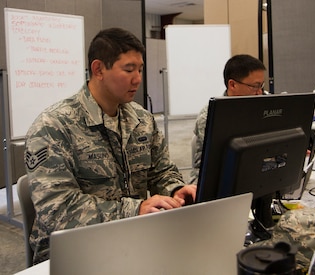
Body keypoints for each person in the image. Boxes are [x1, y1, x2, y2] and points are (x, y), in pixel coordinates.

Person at [24, 27, 196, 264]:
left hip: (133, 238)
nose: (138, 79)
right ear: (98, 69)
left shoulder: (142, 120)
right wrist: (134, 211)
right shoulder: (53, 126)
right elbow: (58, 210)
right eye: (128, 70)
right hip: (72, 250)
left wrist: (176, 190)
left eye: (140, 69)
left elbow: (162, 171)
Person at [189, 54, 266, 184]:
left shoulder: (260, 105)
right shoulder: (210, 115)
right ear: (232, 85)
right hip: (211, 180)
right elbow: (221, 160)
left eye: (261, 86)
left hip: (252, 174)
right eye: (255, 86)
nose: (260, 92)